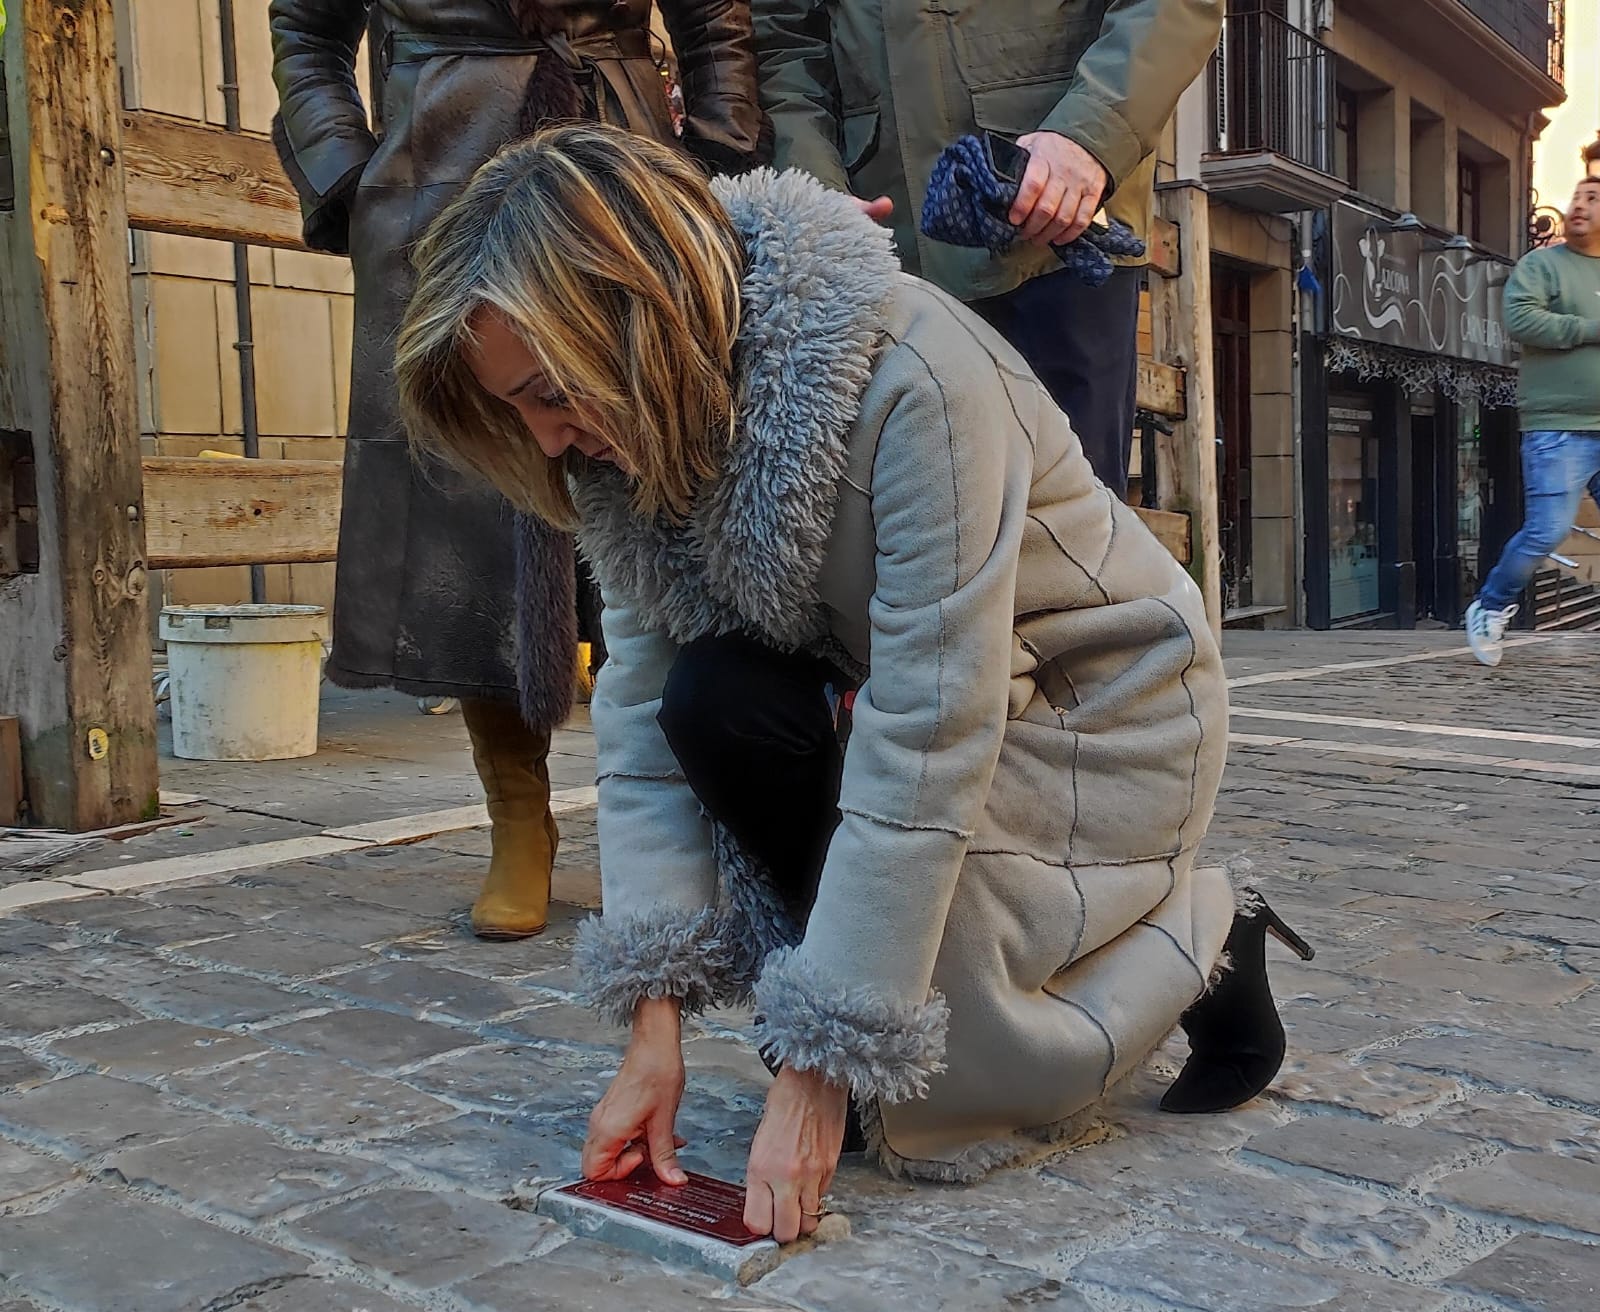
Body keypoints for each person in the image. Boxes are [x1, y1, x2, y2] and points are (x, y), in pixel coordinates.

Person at [395, 125, 1312, 1240]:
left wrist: (825, 1055)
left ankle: (1201, 935)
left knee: (935, 1075)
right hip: (894, 697)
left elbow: (933, 721)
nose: (546, 441)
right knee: (708, 702)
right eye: (517, 410)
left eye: (550, 392)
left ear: (631, 318)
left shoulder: (914, 373)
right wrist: (653, 1025)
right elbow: (638, 718)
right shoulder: (626, 432)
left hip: (1100, 716)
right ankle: (884, 999)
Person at [268, 0, 762, 939]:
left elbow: (714, 16)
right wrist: (345, 170)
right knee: (468, 493)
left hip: (617, 157)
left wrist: (712, 156)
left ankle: (664, 819)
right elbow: (305, 24)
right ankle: (517, 819)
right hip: (435, 166)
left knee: (655, 472)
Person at [751, 0, 1222, 498]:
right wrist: (815, 182)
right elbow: (785, 37)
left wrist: (1089, 134)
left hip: (1053, 229)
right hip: (881, 244)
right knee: (916, 534)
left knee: (1070, 540)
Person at [1466, 177, 1600, 667]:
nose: (1580, 205)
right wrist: (1592, 328)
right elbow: (1522, 320)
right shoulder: (1542, 265)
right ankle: (1491, 606)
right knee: (1547, 530)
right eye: (1578, 196)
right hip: (1557, 424)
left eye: (1595, 199)